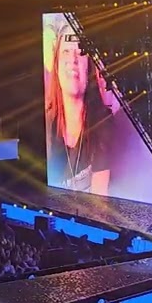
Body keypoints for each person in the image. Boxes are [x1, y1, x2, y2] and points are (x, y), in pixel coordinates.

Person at [45, 18, 112, 195]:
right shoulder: (46, 123)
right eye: (66, 51)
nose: (72, 60)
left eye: (79, 52)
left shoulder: (102, 121)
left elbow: (99, 199)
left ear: (89, 67)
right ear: (57, 66)